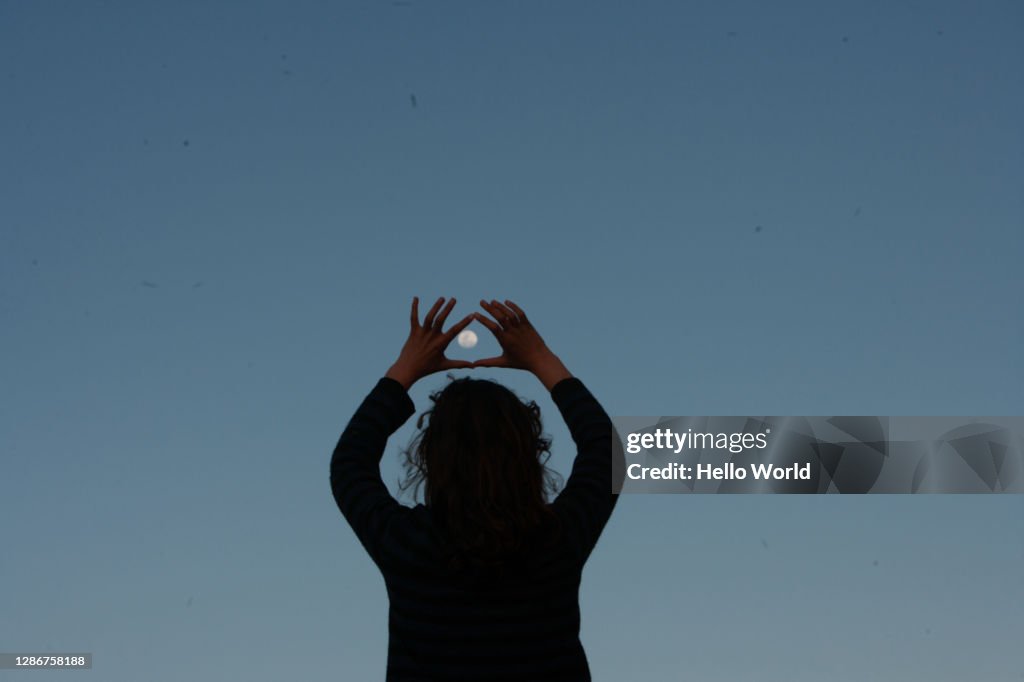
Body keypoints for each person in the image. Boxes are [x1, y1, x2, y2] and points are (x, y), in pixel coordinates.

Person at [330, 297, 623, 681]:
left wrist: (404, 369)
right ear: (528, 455)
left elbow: (350, 462)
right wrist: (541, 358)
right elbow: (606, 450)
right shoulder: (556, 541)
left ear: (431, 458)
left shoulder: (406, 544)